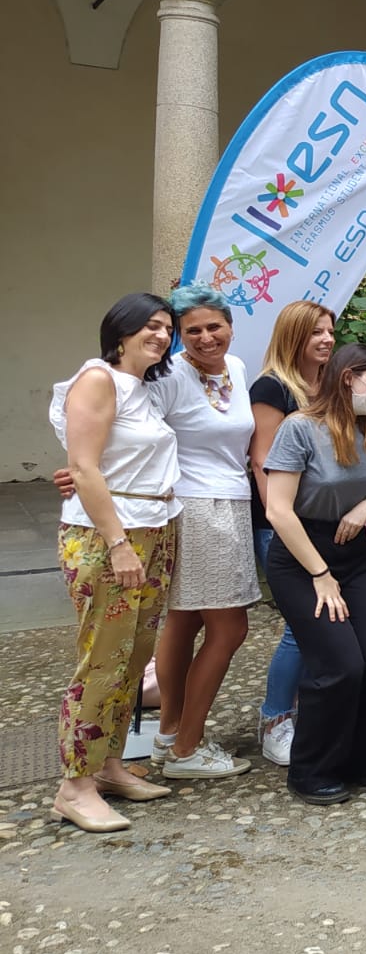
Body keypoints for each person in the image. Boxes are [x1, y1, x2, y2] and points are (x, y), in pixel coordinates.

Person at [48, 293, 182, 832]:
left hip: (155, 527)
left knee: (134, 657)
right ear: (120, 331)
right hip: (109, 535)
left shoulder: (143, 388)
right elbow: (83, 467)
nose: (161, 335)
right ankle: (74, 786)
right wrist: (118, 542)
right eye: (149, 325)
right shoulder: (97, 378)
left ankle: (108, 765)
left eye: (166, 327)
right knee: (102, 659)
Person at [263, 343, 366, 804]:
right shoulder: (300, 428)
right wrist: (320, 573)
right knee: (339, 665)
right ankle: (310, 769)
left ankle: (354, 756)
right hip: (301, 555)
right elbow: (278, 511)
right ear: (349, 378)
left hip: (353, 549)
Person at [147, 287, 259, 777]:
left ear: (230, 326)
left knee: (186, 619)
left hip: (229, 500)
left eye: (214, 326)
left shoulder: (236, 367)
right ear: (179, 335)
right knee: (229, 627)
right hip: (196, 506)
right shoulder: (168, 375)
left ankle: (169, 736)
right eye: (192, 330)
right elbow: (131, 427)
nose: (205, 337)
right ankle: (187, 748)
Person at [251, 299, 337, 767]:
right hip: (284, 525)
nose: (326, 339)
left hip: (326, 522)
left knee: (319, 624)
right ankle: (275, 719)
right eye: (316, 332)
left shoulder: (329, 383)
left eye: (329, 331)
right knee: (300, 628)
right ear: (293, 336)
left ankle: (306, 710)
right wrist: (282, 520)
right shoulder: (273, 388)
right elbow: (262, 461)